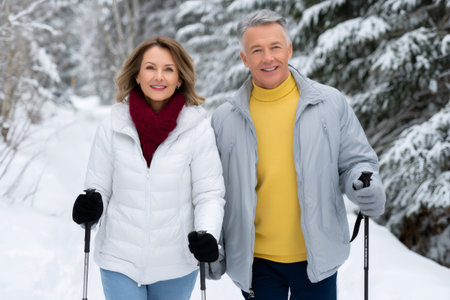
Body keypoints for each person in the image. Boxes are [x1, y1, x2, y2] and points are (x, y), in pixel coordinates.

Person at [209, 9, 386, 300]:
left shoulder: (329, 103)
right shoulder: (224, 119)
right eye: (257, 50)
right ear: (244, 58)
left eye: (275, 47)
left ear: (289, 49)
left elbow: (356, 162)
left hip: (316, 257)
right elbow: (214, 190)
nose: (268, 58)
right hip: (256, 263)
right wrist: (213, 242)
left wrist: (364, 184)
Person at [72, 36, 225, 300]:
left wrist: (207, 233)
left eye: (169, 69)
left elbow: (208, 193)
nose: (159, 76)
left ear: (180, 79)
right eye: (151, 67)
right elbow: (98, 187)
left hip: (176, 262)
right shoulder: (112, 125)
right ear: (137, 75)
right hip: (119, 259)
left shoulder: (197, 128)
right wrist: (90, 206)